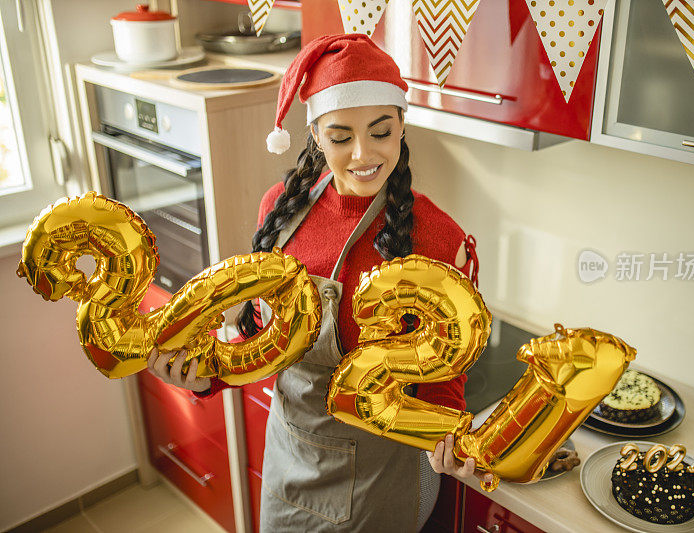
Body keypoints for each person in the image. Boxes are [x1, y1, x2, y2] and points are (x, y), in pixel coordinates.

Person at [147, 33, 578, 532]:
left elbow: (443, 380)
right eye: (340, 136)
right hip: (290, 461)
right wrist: (206, 377)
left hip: (384, 483)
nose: (362, 154)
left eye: (381, 131)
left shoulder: (439, 238)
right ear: (314, 134)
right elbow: (260, 343)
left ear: (401, 126)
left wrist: (450, 444)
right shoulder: (280, 212)